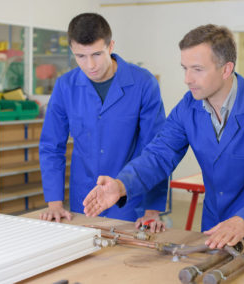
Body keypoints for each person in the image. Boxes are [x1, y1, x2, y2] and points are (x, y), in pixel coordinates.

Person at [83, 24, 244, 283]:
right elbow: (159, 154)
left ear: (226, 69)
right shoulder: (188, 107)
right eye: (184, 68)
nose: (187, 78)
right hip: (212, 228)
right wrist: (121, 185)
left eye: (197, 69)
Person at [39, 13, 168, 232]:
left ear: (111, 46)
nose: (90, 65)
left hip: (130, 200)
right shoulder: (65, 86)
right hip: (84, 200)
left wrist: (152, 211)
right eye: (80, 56)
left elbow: (156, 150)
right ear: (72, 51)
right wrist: (54, 204)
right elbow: (51, 147)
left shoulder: (143, 83)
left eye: (97, 54)